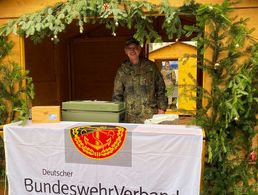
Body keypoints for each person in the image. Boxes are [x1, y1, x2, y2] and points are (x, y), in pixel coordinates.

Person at [112, 37, 168, 123]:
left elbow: (161, 88)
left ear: (139, 49)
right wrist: (116, 114)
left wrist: (162, 109)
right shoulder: (123, 69)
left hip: (150, 115)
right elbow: (117, 94)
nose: (132, 50)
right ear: (125, 51)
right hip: (129, 117)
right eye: (129, 48)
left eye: (134, 48)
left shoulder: (151, 67)